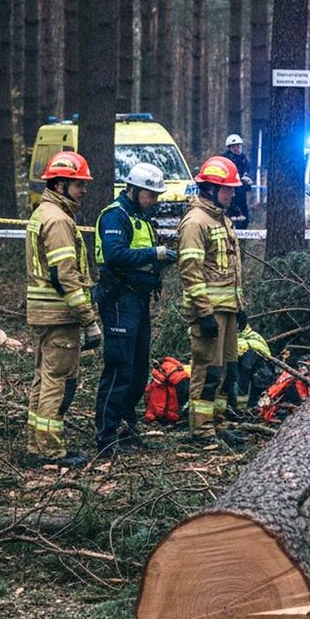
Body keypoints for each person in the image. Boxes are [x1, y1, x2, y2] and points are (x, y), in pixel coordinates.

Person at [93, 162, 178, 457]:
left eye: (155, 195)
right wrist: (154, 253)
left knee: (139, 367)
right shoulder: (116, 215)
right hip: (119, 299)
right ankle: (106, 437)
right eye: (149, 194)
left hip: (138, 300)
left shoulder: (140, 216)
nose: (153, 200)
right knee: (120, 367)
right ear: (134, 189)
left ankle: (126, 429)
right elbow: (115, 254)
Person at [24, 150, 101, 468]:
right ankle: (51, 450)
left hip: (46, 312)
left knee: (44, 378)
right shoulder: (57, 220)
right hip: (60, 313)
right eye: (77, 183)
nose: (83, 189)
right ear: (59, 185)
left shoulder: (44, 213)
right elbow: (65, 275)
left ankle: (35, 445)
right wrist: (89, 321)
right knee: (58, 380)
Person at [179, 154, 249, 449]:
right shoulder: (196, 222)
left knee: (226, 370)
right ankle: (201, 431)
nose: (232, 194)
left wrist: (240, 306)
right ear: (209, 188)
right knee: (207, 370)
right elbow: (190, 273)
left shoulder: (223, 220)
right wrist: (204, 313)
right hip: (209, 312)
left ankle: (218, 424)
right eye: (227, 189)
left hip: (229, 310)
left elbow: (232, 269)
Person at [223, 134, 253, 227]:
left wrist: (247, 183)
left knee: (244, 219)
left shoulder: (244, 160)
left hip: (241, 195)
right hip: (229, 195)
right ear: (229, 148)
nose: (236, 149)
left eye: (238, 146)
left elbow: (248, 173)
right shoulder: (225, 160)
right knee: (229, 218)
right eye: (233, 147)